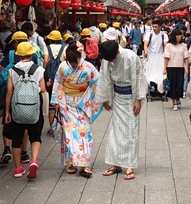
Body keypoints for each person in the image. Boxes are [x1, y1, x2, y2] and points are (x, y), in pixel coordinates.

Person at [99, 39, 146, 180]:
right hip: (117, 97)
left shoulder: (131, 57)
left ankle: (130, 165)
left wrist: (138, 99)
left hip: (131, 97)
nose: (111, 61)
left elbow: (139, 78)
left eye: (113, 58)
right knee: (116, 131)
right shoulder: (107, 60)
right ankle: (117, 164)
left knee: (131, 132)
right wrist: (105, 98)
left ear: (118, 52)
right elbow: (104, 78)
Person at [52, 42, 101, 177]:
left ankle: (84, 165)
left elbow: (97, 83)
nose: (73, 65)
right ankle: (72, 162)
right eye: (71, 62)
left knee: (84, 133)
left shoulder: (88, 67)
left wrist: (100, 99)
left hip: (83, 104)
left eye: (75, 62)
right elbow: (58, 83)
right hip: (67, 104)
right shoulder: (63, 67)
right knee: (69, 135)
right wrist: (57, 101)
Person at [4, 42, 46, 179]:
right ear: (31, 54)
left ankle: (17, 168)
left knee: (17, 138)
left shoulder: (12, 70)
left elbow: (9, 92)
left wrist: (7, 112)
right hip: (34, 108)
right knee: (35, 136)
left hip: (17, 108)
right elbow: (43, 89)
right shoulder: (38, 69)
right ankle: (33, 161)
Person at [0, 30, 29, 166]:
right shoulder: (31, 56)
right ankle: (24, 152)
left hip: (11, 94)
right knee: (25, 123)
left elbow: (1, 73)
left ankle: (6, 149)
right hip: (27, 95)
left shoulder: (10, 55)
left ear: (16, 43)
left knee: (7, 120)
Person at [163, 28, 189, 110]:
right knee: (172, 85)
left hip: (180, 67)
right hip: (171, 67)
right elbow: (166, 58)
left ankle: (178, 98)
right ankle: (174, 102)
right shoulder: (168, 46)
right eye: (177, 35)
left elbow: (186, 58)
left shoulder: (184, 46)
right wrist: (164, 69)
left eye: (180, 35)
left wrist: (187, 68)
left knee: (180, 84)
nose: (179, 37)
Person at [143, 21, 168, 94]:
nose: (154, 28)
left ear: (160, 27)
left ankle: (159, 88)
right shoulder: (149, 34)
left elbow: (165, 44)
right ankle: (152, 86)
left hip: (160, 57)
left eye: (155, 26)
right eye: (153, 26)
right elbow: (146, 44)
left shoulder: (164, 35)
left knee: (161, 74)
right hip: (151, 57)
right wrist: (145, 51)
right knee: (150, 73)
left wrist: (166, 53)